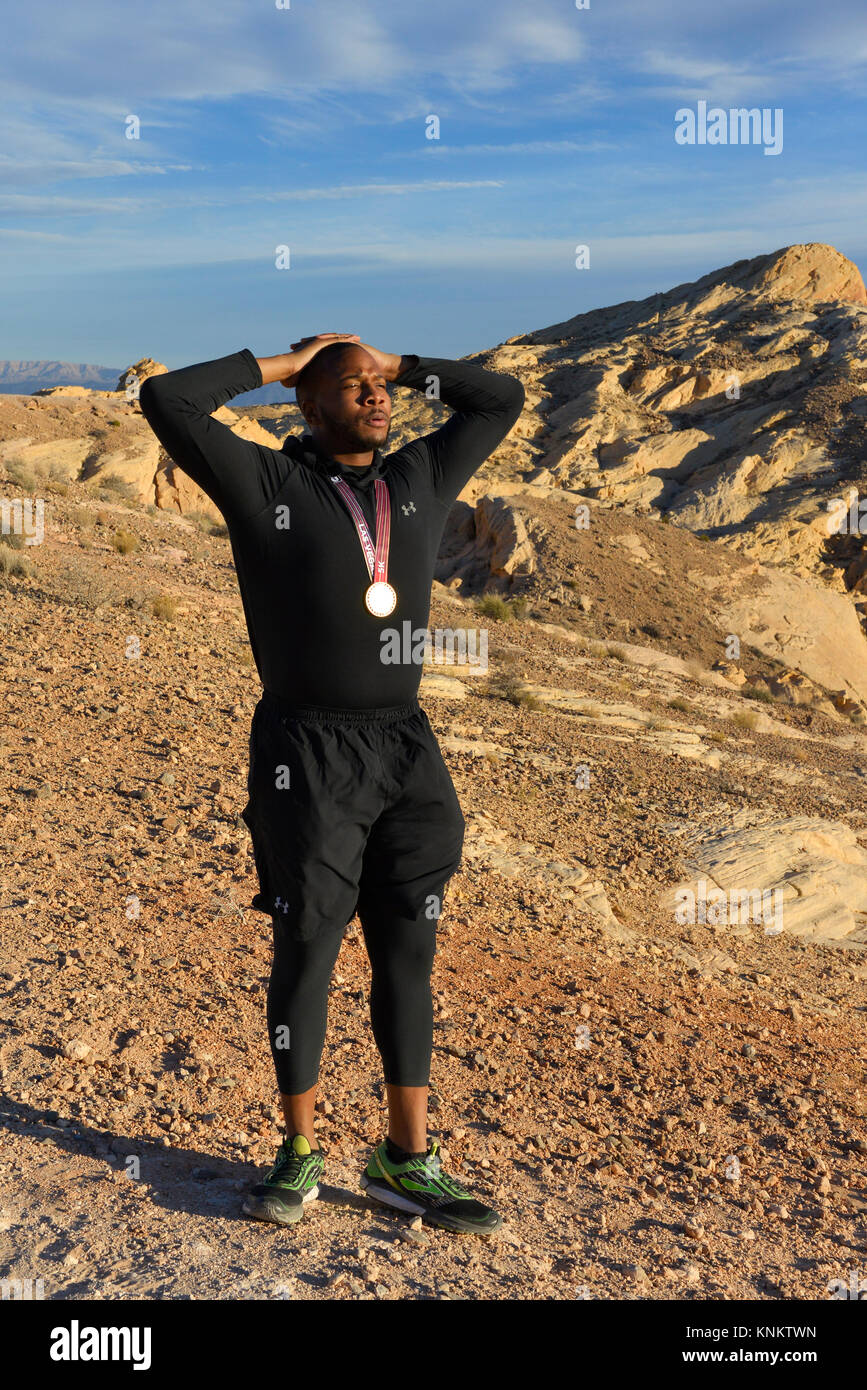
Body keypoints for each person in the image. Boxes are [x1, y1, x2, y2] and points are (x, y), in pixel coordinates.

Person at [139, 332, 524, 1235]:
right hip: (304, 753)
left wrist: (396, 363)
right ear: (308, 406)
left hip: (404, 750)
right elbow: (171, 402)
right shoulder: (267, 488)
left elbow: (496, 397)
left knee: (408, 948)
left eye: (375, 386)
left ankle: (404, 1159)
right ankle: (299, 1151)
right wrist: (285, 365)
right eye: (349, 388)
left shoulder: (420, 478)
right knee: (308, 947)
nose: (372, 396)